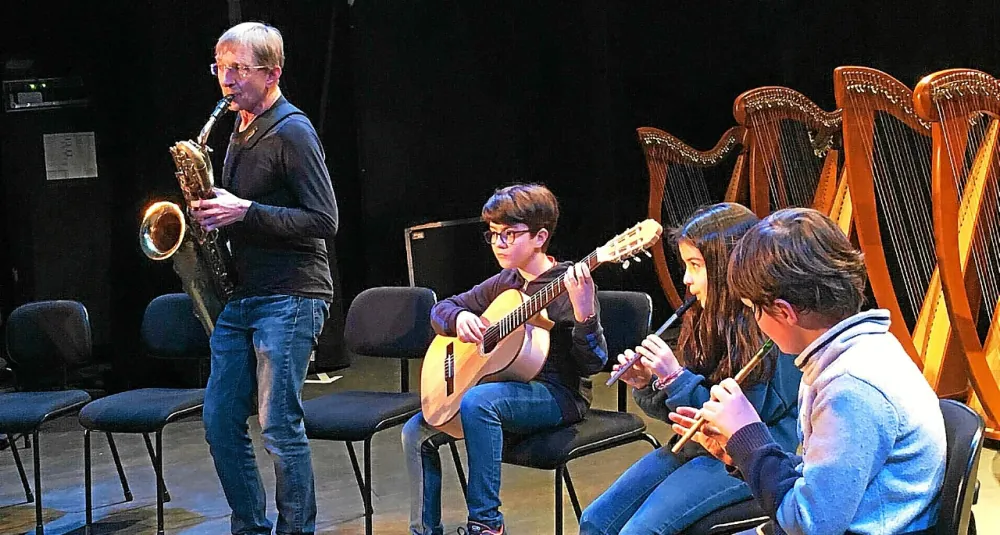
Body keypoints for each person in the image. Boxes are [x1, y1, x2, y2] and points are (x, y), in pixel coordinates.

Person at [670, 207, 946, 535]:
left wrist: (749, 435)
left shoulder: (850, 387)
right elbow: (822, 477)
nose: (756, 320)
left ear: (784, 312)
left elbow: (808, 524)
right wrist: (738, 452)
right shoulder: (862, 346)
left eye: (754, 309)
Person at [190, 22, 339, 535]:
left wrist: (244, 212)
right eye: (219, 68)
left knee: (278, 425)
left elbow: (325, 221)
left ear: (272, 73)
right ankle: (249, 527)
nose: (225, 81)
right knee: (219, 422)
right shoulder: (238, 125)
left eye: (237, 70)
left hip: (292, 293)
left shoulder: (292, 130)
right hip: (244, 294)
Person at [579, 203, 802, 535]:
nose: (687, 279)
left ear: (729, 266)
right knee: (595, 521)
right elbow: (682, 415)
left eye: (695, 266)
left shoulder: (768, 328)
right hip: (694, 447)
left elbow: (735, 425)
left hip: (748, 460)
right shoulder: (705, 317)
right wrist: (647, 384)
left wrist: (674, 377)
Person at [402, 183, 607, 535]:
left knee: (479, 401)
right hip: (507, 389)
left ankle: (486, 524)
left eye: (509, 234)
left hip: (558, 395)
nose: (499, 243)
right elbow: (441, 309)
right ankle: (424, 530)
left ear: (540, 236)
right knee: (417, 431)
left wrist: (585, 314)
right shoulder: (506, 281)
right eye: (494, 234)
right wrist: (458, 319)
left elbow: (593, 363)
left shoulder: (568, 285)